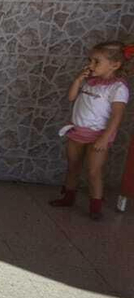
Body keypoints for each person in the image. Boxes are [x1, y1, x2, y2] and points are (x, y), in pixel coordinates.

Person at [49, 41, 129, 219]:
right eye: (90, 60)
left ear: (115, 65)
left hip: (98, 136)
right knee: (73, 166)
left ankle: (95, 206)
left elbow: (117, 116)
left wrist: (105, 138)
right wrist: (78, 80)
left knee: (94, 172)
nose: (90, 65)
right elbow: (71, 98)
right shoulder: (89, 81)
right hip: (77, 131)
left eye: (96, 62)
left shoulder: (118, 88)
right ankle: (68, 197)